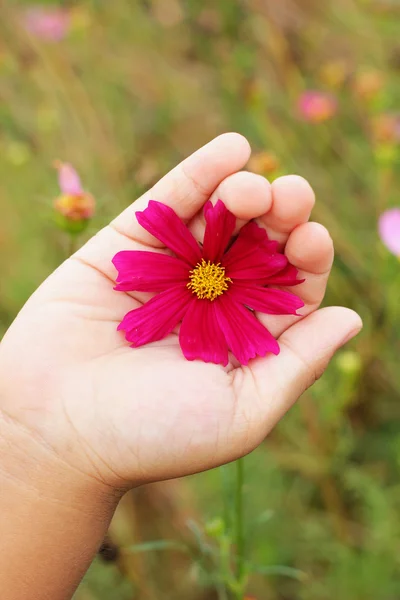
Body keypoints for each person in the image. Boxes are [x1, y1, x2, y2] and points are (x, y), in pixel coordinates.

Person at [0, 133, 362, 599]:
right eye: (206, 277)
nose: (208, 280)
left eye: (211, 277)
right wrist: (38, 447)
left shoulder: (221, 275)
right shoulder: (188, 279)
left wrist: (47, 454)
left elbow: (261, 271)